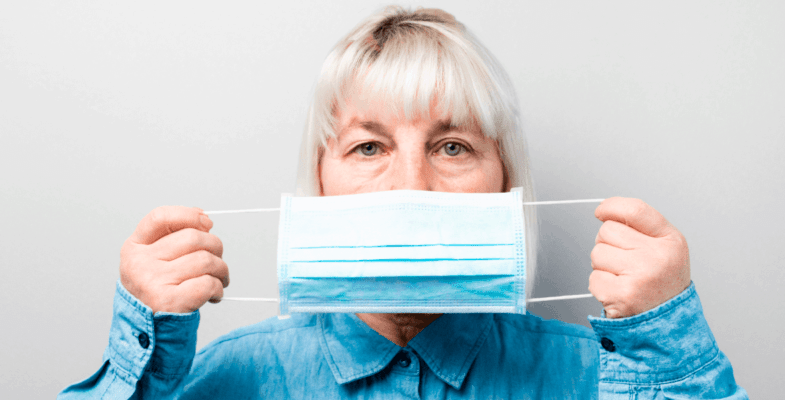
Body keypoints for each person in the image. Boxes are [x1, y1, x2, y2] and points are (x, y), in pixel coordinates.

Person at [59, 6, 747, 399]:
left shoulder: (604, 379)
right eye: (368, 148)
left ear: (505, 182)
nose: (410, 185)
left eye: (452, 147)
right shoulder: (231, 379)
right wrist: (138, 365)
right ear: (320, 180)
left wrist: (670, 354)